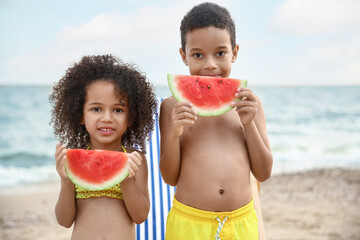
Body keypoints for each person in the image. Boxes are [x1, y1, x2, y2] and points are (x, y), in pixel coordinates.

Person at [159, 2, 273, 240]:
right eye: (198, 54)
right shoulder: (172, 106)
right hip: (188, 225)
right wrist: (174, 133)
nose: (210, 64)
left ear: (235, 52)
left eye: (220, 53)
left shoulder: (251, 104)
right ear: (184, 56)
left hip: (241, 224)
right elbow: (170, 177)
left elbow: (263, 172)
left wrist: (249, 123)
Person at [49, 54, 157, 240]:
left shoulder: (134, 158)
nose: (107, 118)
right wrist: (66, 181)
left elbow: (140, 216)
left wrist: (124, 178)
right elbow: (64, 220)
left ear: (131, 117)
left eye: (118, 110)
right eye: (96, 109)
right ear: (80, 115)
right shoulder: (74, 160)